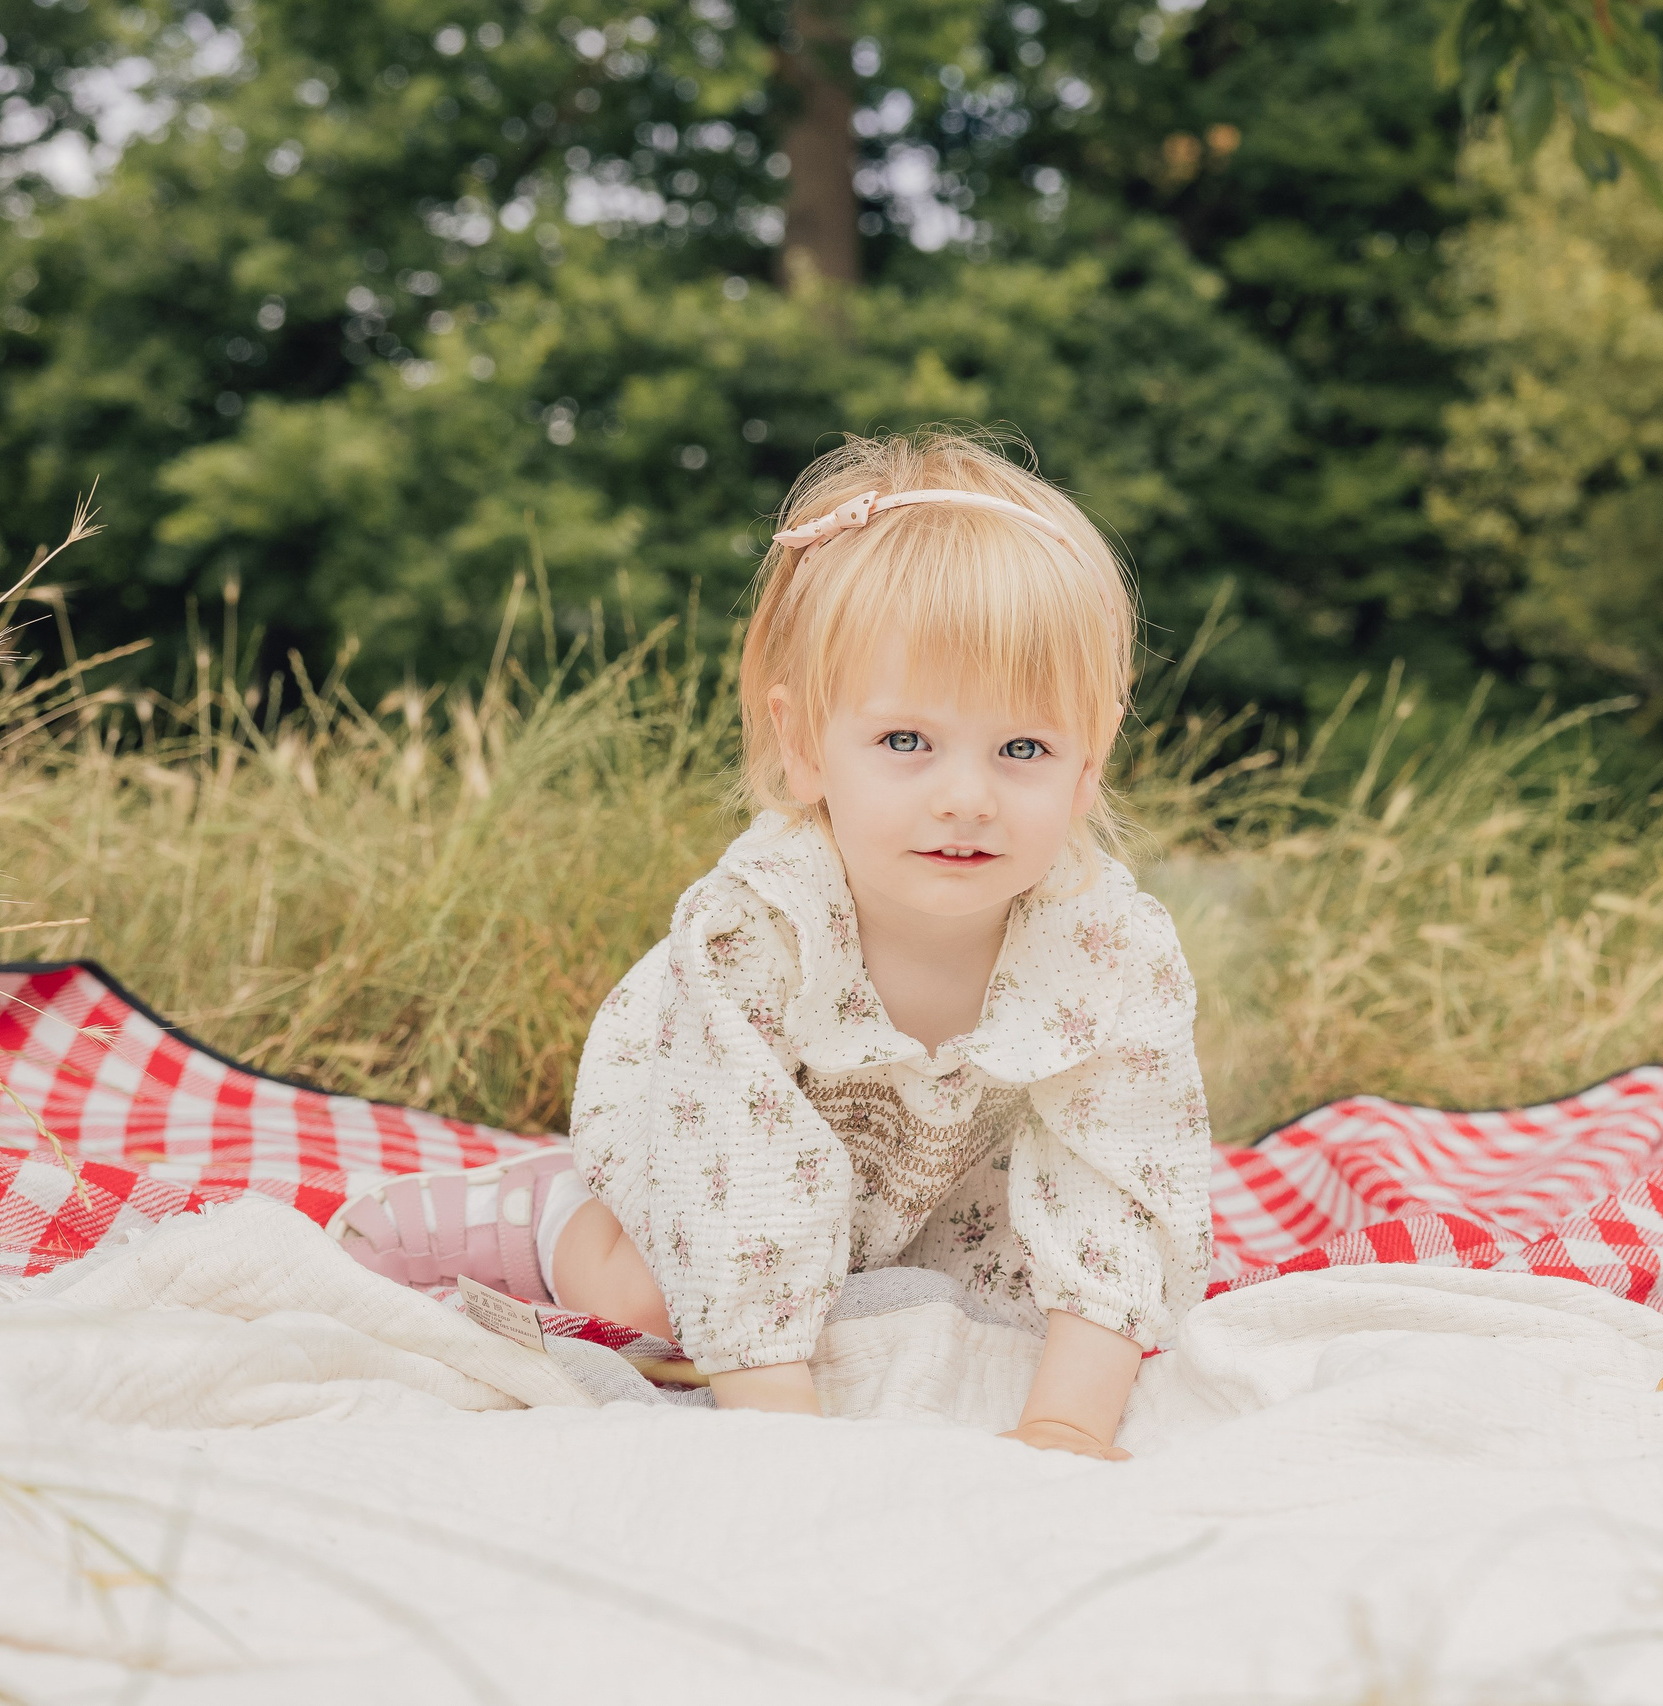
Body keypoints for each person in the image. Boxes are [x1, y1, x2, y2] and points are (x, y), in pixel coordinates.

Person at [333, 430, 1214, 1459]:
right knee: (663, 1305)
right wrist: (784, 1437)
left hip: (940, 1201)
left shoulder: (1111, 951)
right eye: (905, 741)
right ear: (803, 744)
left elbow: (1122, 1175)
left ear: (1089, 760)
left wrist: (1065, 1421)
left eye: (1024, 747)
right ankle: (558, 1216)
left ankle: (840, 1292)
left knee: (979, 1316)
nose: (966, 796)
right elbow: (740, 1180)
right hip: (714, 1154)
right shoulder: (761, 931)